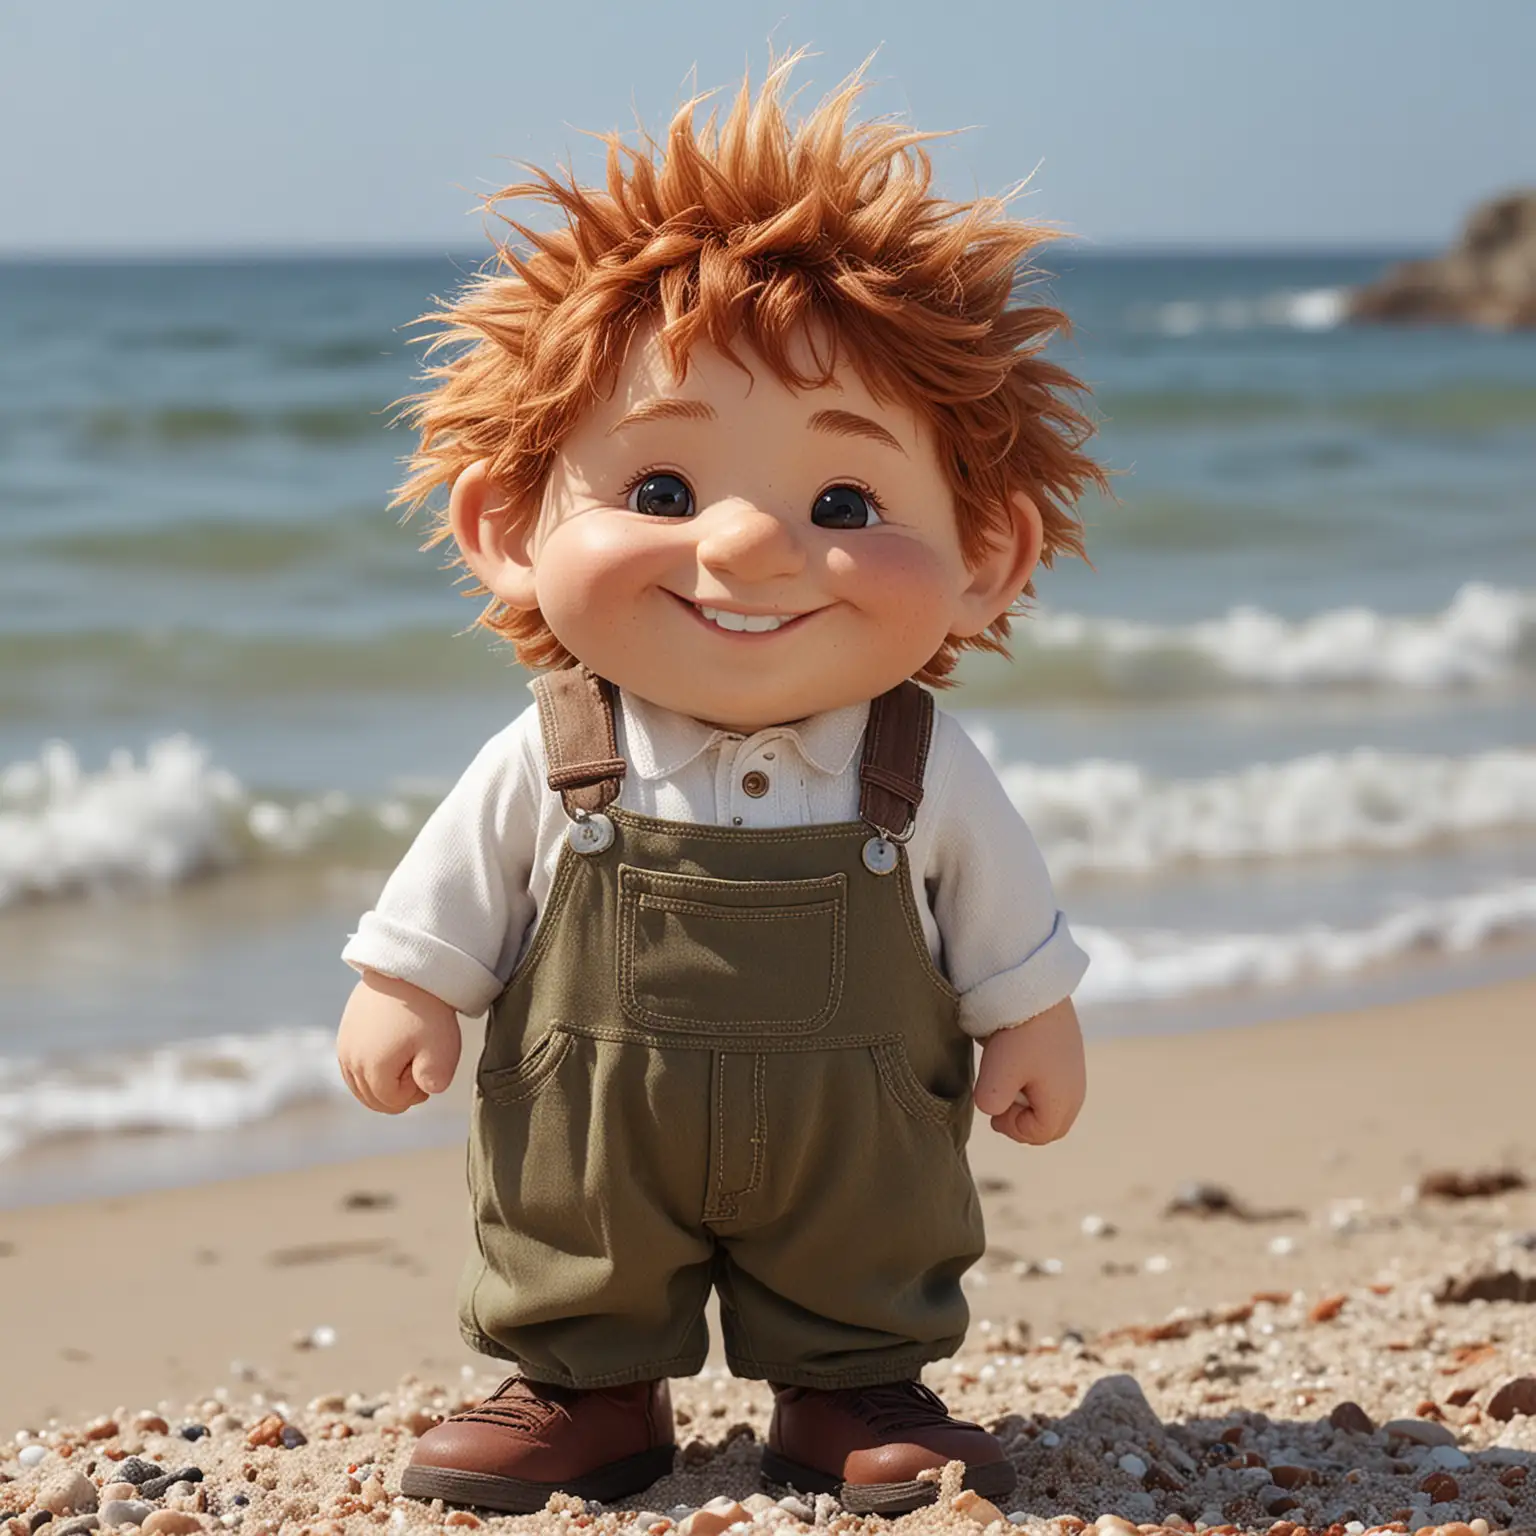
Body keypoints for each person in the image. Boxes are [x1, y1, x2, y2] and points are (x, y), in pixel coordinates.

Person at [335, 57, 1106, 1517]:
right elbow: (453, 892)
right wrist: (410, 985)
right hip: (595, 1125)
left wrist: (1031, 1019)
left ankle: (856, 1390)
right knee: (568, 1225)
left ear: (988, 559)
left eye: (844, 505)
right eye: (664, 493)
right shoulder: (556, 747)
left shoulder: (917, 759)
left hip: (852, 1133)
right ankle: (581, 1391)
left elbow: (1001, 915)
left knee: (873, 1232)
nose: (749, 548)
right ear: (507, 526)